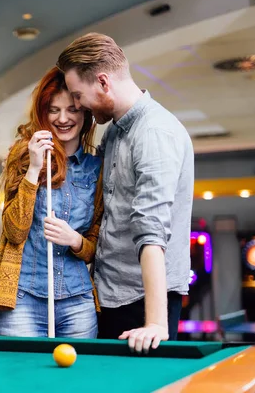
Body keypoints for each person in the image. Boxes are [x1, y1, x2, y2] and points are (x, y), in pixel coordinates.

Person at [56, 33, 194, 353]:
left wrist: (156, 323)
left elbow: (151, 231)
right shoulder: (116, 130)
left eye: (78, 95)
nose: (76, 106)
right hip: (109, 295)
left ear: (103, 82)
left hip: (141, 303)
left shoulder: (154, 133)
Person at [0, 66, 104, 338]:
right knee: (19, 378)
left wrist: (75, 240)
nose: (63, 118)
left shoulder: (96, 168)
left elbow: (96, 245)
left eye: (72, 110)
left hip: (77, 302)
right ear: (43, 113)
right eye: (54, 110)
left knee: (76, 380)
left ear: (85, 113)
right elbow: (14, 231)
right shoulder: (23, 156)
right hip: (22, 300)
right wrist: (33, 170)